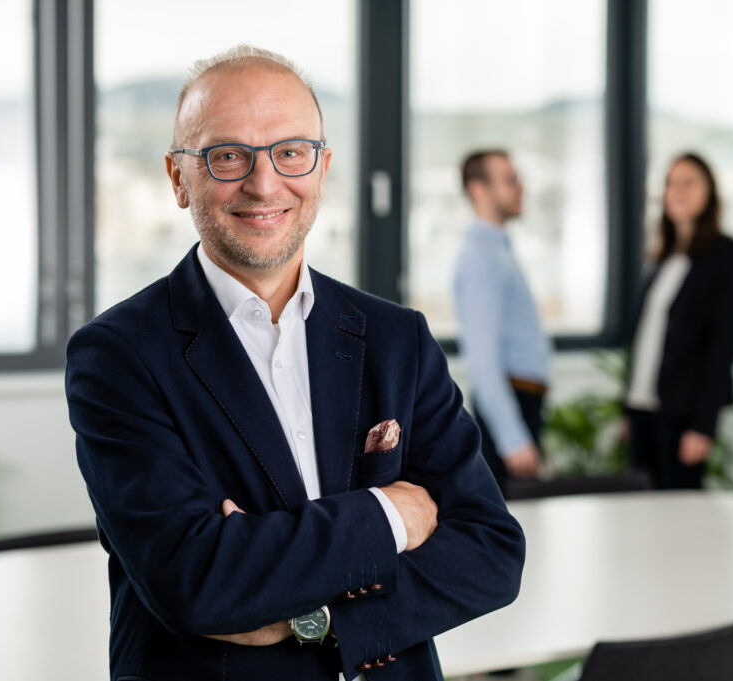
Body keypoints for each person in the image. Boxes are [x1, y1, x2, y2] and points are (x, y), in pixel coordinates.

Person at [65, 46, 524, 681]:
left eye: (290, 152)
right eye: (227, 156)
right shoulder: (118, 356)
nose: (263, 183)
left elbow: (490, 551)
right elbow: (197, 581)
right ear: (177, 178)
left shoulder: (398, 339)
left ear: (322, 167)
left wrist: (313, 617)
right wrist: (392, 513)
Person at [623, 152, 733, 490]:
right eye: (670, 183)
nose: (676, 190)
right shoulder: (662, 256)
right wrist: (628, 405)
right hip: (643, 404)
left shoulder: (726, 254)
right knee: (641, 508)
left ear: (710, 192)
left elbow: (723, 347)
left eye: (688, 182)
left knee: (679, 514)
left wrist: (704, 426)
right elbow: (646, 336)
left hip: (684, 411)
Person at [453, 150, 552, 492]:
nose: (520, 188)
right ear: (478, 189)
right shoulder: (483, 259)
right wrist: (513, 438)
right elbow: (482, 360)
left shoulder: (497, 251)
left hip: (521, 397)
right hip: (512, 400)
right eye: (509, 180)